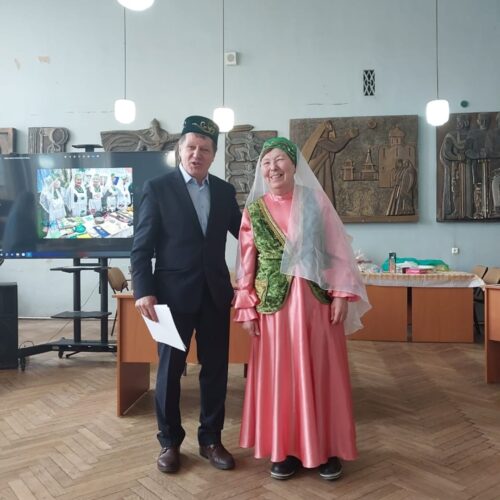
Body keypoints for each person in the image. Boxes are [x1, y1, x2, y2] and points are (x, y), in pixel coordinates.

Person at [234, 137, 370, 481]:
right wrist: (246, 307)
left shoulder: (315, 202)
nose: (273, 168)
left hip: (315, 306)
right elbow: (246, 264)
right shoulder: (254, 211)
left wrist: (341, 294)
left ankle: (326, 448)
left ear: (295, 166)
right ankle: (285, 450)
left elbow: (337, 250)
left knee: (322, 373)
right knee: (280, 377)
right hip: (274, 309)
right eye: (266, 162)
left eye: (280, 160)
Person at [131, 115, 242, 474]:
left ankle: (211, 440)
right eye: (191, 147)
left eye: (205, 149)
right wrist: (144, 291)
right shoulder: (157, 188)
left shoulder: (224, 191)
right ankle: (169, 442)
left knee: (216, 371)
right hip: (170, 298)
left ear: (213, 155)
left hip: (214, 295)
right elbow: (141, 247)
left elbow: (246, 234)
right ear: (180, 149)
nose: (197, 154)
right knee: (169, 372)